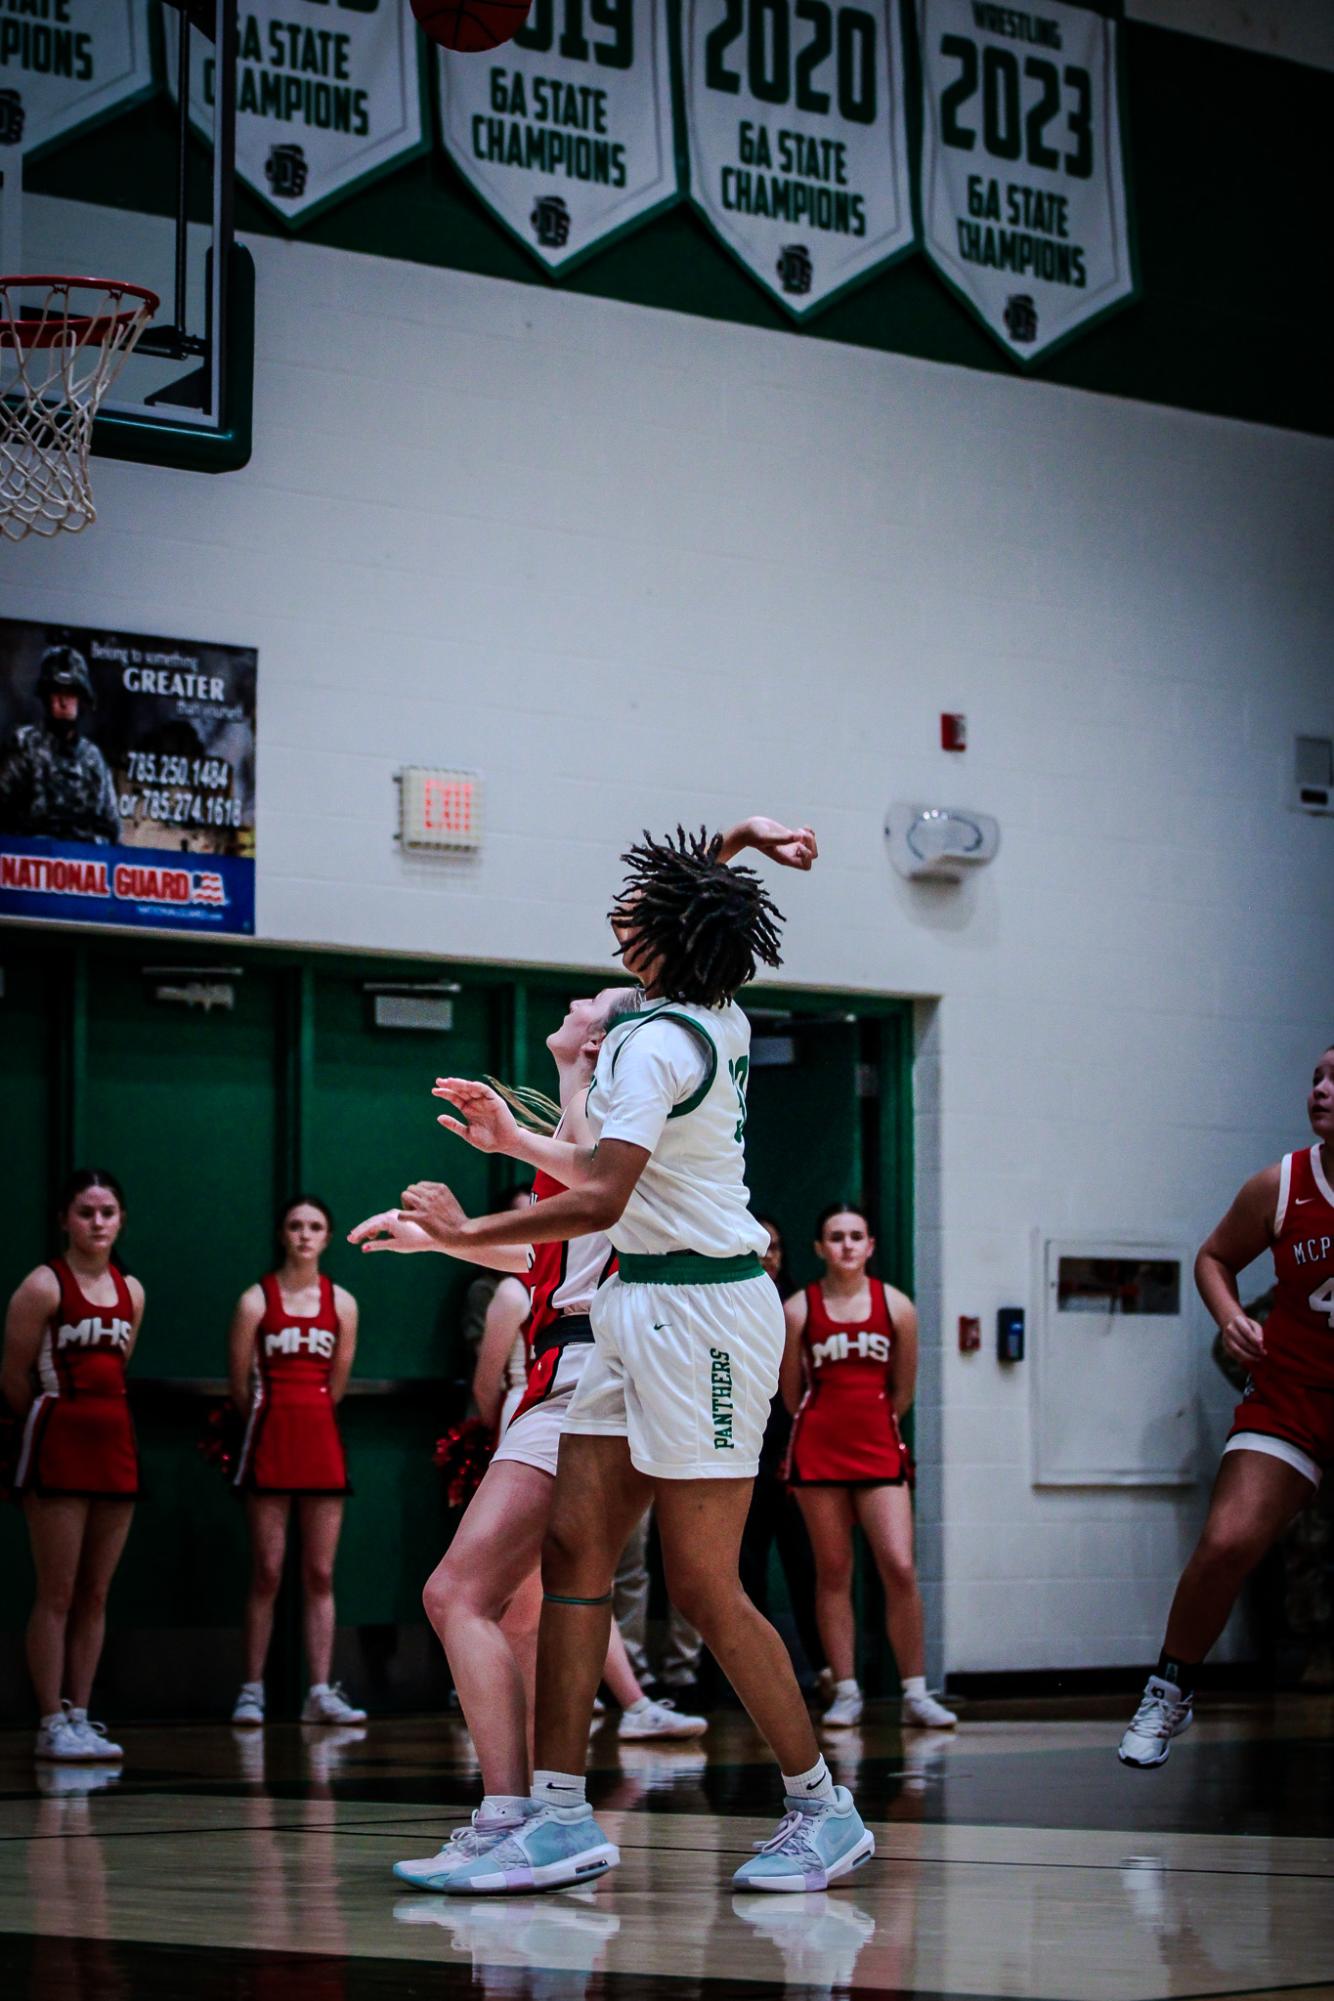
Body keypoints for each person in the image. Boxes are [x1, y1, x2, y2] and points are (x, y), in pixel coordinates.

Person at [354, 816, 874, 1897]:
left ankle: (823, 1811)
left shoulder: (657, 1043)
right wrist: (736, 839)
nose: (616, 911)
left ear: (665, 939)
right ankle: (553, 1817)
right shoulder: (707, 1004)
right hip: (638, 1308)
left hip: (706, 1316)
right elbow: (708, 917)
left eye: (636, 904)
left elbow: (595, 1195)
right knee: (574, 1559)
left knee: (698, 1583)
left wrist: (456, 1234)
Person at [390, 989, 709, 1892]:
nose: (571, 1000)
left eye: (589, 1000)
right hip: (574, 1372)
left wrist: (460, 1229)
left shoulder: (607, 1113)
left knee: (456, 1592)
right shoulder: (583, 1105)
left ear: (603, 1034)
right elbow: (554, 1257)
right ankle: (531, 1814)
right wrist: (440, 1244)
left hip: (578, 1378)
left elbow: (580, 1237)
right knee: (524, 1610)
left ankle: (511, 1814)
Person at [1118, 1041, 1334, 1768]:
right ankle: (1170, 1689)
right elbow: (1213, 1258)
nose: (1323, 1091)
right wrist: (1230, 1315)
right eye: (1317, 1078)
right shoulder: (1280, 1184)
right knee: (1227, 1540)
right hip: (1291, 1395)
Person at [783, 1204, 955, 1732]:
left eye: (857, 1236)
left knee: (899, 1567)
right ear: (819, 1248)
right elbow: (790, 1393)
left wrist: (874, 1425)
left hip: (879, 1448)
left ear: (872, 1244)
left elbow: (903, 1390)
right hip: (818, 1450)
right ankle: (847, 1689)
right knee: (833, 1572)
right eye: (836, 1237)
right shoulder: (798, 1309)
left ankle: (916, 1691)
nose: (847, 1246)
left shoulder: (897, 1306)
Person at [2, 1169, 143, 1763]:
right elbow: (13, 1375)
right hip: (58, 1442)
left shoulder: (131, 1289)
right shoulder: (42, 1285)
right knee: (56, 1590)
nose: (98, 1223)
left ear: (121, 1219)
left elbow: (122, 1362)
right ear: (65, 1219)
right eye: (86, 1212)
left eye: (108, 1212)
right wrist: (48, 1421)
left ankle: (81, 1714)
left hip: (114, 1444)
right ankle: (48, 1720)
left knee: (95, 1592)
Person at [228, 1196, 366, 1728]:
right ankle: (251, 1689)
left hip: (321, 1441)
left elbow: (337, 1385)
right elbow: (239, 1384)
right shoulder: (254, 1301)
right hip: (269, 1439)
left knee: (320, 1571)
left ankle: (320, 1690)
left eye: (315, 1227)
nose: (305, 1235)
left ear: (327, 1238)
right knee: (265, 1571)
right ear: (282, 1235)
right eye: (295, 1226)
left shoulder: (344, 1304)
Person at [738, 1216, 826, 1687]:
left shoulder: (799, 1308)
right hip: (741, 1452)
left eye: (775, 1247)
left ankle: (825, 1670)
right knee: (742, 1567)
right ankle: (745, 1678)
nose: (768, 1255)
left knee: (805, 1564)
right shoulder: (725, 1303)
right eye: (759, 1246)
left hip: (792, 1450)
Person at [0, 644, 120, 845]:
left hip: (82, 865)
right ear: (47, 698)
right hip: (29, 863)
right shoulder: (24, 746)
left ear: (81, 698)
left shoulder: (93, 758)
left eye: (71, 693)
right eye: (57, 692)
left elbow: (112, 829)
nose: (63, 702)